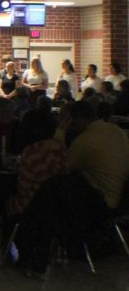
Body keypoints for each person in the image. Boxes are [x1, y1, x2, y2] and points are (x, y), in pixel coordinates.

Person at [16, 101, 129, 277]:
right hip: (120, 199)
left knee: (50, 191)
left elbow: (62, 166)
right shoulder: (117, 131)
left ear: (74, 120)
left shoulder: (85, 141)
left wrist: (60, 133)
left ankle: (33, 254)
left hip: (98, 202)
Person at [5, 109, 68, 218]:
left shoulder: (31, 152)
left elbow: (24, 188)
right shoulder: (62, 148)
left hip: (30, 207)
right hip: (56, 208)